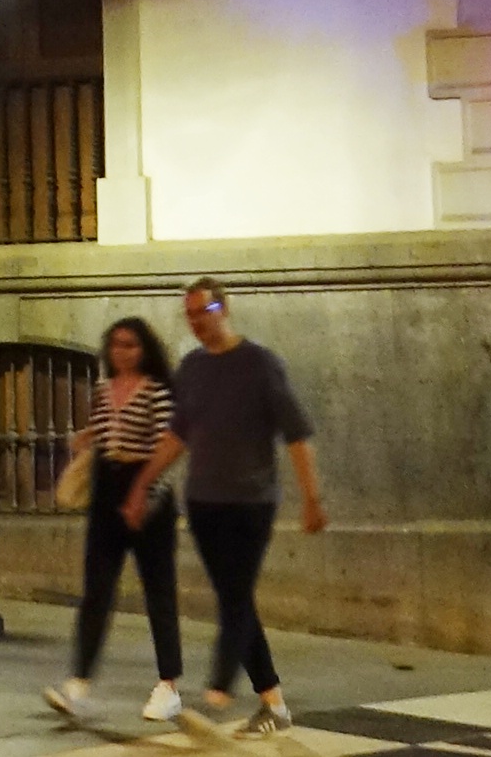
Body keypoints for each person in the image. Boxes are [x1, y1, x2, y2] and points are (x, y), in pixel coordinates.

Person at [128, 277, 322, 741]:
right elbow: (178, 435)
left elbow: (296, 433)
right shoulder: (192, 368)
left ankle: (220, 680)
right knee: (235, 599)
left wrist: (312, 498)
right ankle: (273, 703)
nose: (198, 320)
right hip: (204, 501)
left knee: (236, 593)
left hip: (252, 501)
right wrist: (143, 481)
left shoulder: (261, 364)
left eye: (205, 309)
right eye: (190, 313)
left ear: (224, 307)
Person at [44, 316, 185, 728]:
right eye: (116, 345)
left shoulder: (158, 392)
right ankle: (79, 684)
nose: (122, 352)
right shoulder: (103, 393)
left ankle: (168, 686)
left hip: (147, 489)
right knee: (96, 591)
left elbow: (166, 446)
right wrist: (90, 438)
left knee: (159, 591)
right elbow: (111, 438)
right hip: (108, 491)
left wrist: (146, 495)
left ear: (145, 349)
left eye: (131, 345)